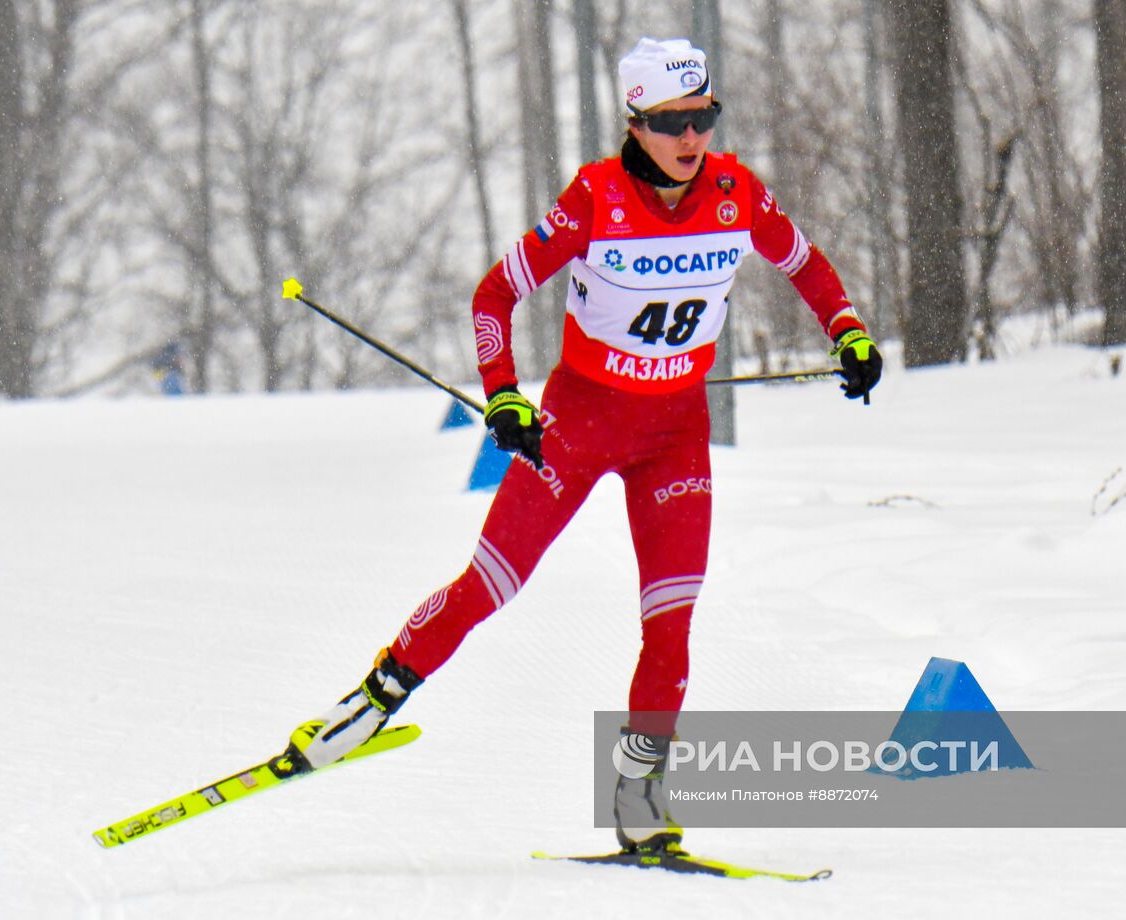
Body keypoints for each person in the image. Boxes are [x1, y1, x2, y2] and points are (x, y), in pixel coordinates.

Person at [279, 37, 882, 854]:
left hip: (676, 435)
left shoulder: (738, 193)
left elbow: (807, 266)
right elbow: (494, 295)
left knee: (670, 625)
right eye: (672, 121)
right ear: (635, 123)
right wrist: (502, 396)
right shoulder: (595, 197)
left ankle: (639, 799)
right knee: (491, 583)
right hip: (581, 420)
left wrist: (848, 333)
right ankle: (368, 700)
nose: (691, 137)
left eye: (703, 115)